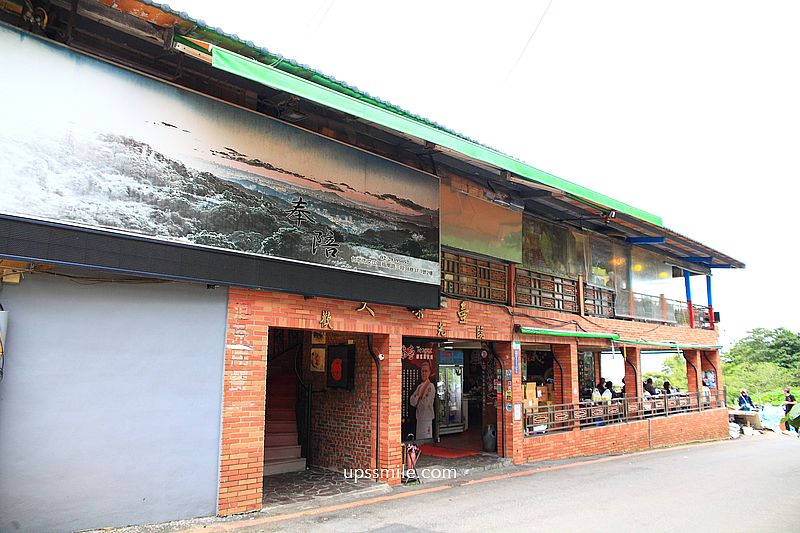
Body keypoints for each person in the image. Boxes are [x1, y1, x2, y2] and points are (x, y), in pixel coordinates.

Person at [409, 361, 436, 440]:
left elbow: (424, 404)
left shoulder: (430, 386)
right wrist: (418, 398)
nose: (424, 373)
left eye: (426, 371)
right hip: (419, 418)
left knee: (425, 440)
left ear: (429, 373)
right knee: (419, 439)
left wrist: (416, 400)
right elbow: (411, 400)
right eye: (422, 371)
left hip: (427, 417)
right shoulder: (420, 386)